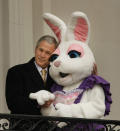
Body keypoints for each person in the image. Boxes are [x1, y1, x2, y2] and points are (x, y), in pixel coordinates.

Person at [5, 35, 58, 115]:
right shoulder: (16, 72)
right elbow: (12, 103)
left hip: (50, 126)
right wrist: (39, 103)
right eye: (41, 50)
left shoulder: (56, 74)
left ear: (53, 56)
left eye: (47, 53)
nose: (42, 55)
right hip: (24, 126)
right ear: (35, 49)